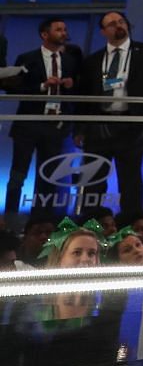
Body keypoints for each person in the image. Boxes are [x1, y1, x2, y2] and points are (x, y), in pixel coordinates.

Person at [77, 10, 143, 220]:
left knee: (130, 175)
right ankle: (94, 220)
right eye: (112, 24)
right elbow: (84, 96)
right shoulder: (93, 60)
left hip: (131, 122)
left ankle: (132, 220)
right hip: (99, 123)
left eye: (121, 21)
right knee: (94, 175)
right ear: (103, 32)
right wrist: (80, 127)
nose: (119, 26)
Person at [7, 18, 84, 226]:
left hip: (55, 125)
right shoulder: (27, 58)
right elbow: (14, 88)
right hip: (28, 123)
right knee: (18, 174)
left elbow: (81, 90)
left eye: (65, 29)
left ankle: (41, 223)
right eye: (59, 29)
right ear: (45, 34)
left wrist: (71, 84)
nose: (63, 32)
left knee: (48, 176)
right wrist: (42, 85)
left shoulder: (71, 61)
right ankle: (10, 220)